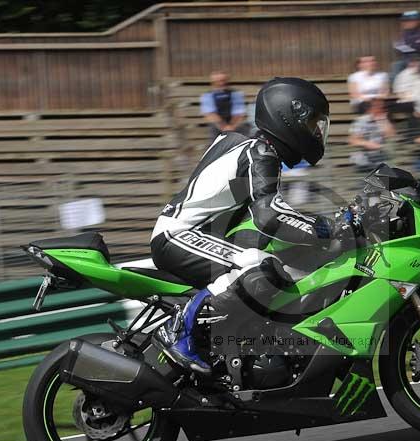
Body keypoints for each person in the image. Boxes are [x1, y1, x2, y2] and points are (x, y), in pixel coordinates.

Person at [151, 78, 336, 374]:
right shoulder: (259, 153)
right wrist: (327, 228)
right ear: (288, 116)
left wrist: (314, 226)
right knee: (262, 269)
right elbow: (268, 214)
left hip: (193, 232)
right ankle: (179, 334)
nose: (316, 132)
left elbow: (262, 213)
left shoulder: (247, 146)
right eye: (313, 122)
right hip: (179, 235)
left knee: (273, 263)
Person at [392, 55, 420, 142]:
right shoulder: (402, 76)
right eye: (415, 63)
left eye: (419, 64)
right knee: (413, 108)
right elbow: (399, 93)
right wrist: (413, 100)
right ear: (410, 64)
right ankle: (417, 136)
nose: (418, 66)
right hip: (408, 102)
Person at [200, 71, 250, 142]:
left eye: (223, 80)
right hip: (217, 127)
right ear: (213, 82)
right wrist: (224, 127)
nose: (221, 83)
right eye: (218, 81)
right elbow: (210, 114)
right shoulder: (207, 95)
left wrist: (232, 126)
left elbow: (239, 112)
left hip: (235, 126)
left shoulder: (235, 94)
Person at [348, 97, 396, 172]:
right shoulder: (362, 121)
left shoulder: (383, 120)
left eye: (381, 106)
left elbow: (391, 135)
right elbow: (353, 140)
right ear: (371, 108)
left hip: (381, 161)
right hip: (364, 161)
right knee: (365, 183)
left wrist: (383, 120)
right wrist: (366, 143)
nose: (381, 108)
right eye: (377, 106)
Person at [391, 10, 420, 82]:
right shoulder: (405, 33)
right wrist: (409, 47)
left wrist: (406, 47)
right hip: (407, 59)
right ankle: (395, 87)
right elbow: (397, 47)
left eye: (408, 21)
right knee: (396, 65)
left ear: (416, 21)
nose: (405, 23)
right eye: (404, 21)